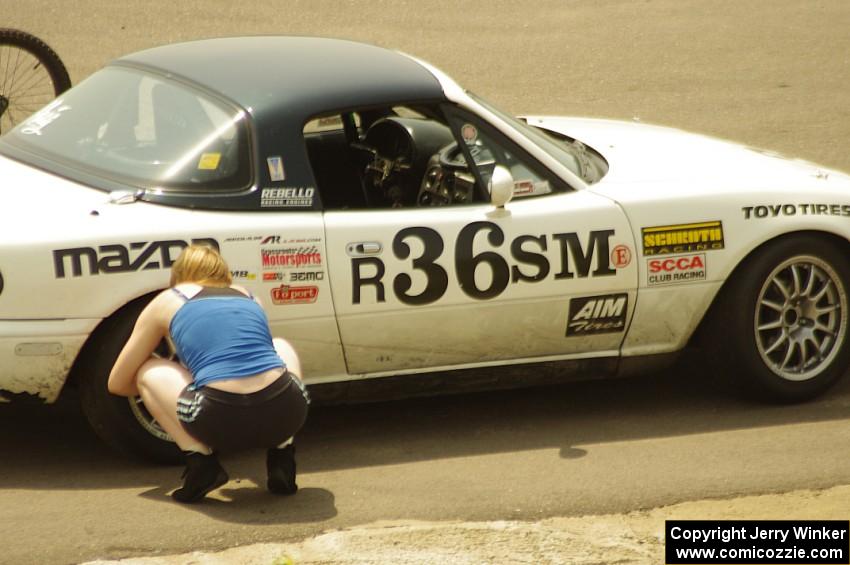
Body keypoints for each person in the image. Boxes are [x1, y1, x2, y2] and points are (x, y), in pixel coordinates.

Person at [107, 244, 310, 503]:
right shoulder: (249, 296)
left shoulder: (169, 299)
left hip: (219, 420)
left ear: (179, 274)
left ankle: (201, 464)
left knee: (147, 371)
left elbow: (117, 382)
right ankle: (283, 457)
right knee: (279, 347)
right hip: (287, 414)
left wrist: (176, 385)